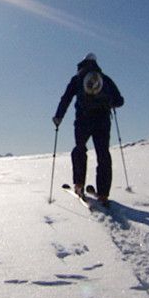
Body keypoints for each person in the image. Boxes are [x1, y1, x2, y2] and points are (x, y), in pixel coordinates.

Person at [53, 53, 124, 206]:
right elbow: (120, 101)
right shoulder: (105, 79)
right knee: (103, 153)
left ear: (83, 62)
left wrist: (58, 117)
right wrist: (110, 102)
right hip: (103, 121)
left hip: (83, 120)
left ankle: (79, 185)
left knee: (79, 149)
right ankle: (103, 194)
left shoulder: (77, 78)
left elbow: (66, 98)